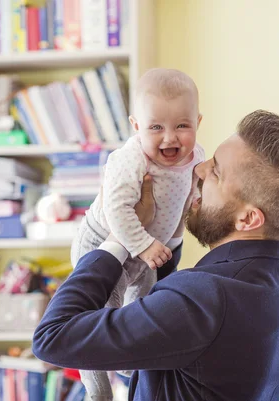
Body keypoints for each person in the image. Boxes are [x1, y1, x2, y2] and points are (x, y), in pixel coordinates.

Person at [33, 110, 279, 401]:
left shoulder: (206, 297)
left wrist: (119, 237)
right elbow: (174, 329)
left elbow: (53, 337)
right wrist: (159, 230)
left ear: (248, 219)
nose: (198, 170)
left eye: (215, 172)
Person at [70, 68, 204, 400]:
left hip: (149, 248)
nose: (170, 138)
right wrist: (144, 245)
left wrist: (170, 245)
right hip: (104, 242)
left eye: (182, 126)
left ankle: (130, 365)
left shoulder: (196, 157)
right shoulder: (131, 159)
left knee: (143, 305)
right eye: (156, 127)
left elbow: (185, 202)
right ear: (136, 127)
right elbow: (117, 210)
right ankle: (97, 390)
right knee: (100, 316)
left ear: (198, 122)